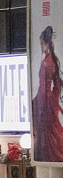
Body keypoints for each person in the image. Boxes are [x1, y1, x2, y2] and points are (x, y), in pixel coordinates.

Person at [32, 25, 63, 162]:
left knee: (47, 134)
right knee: (53, 132)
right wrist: (54, 101)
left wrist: (38, 104)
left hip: (44, 101)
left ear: (46, 44)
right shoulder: (53, 60)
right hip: (49, 100)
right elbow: (56, 85)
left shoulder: (46, 62)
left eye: (42, 44)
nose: (41, 47)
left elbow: (43, 87)